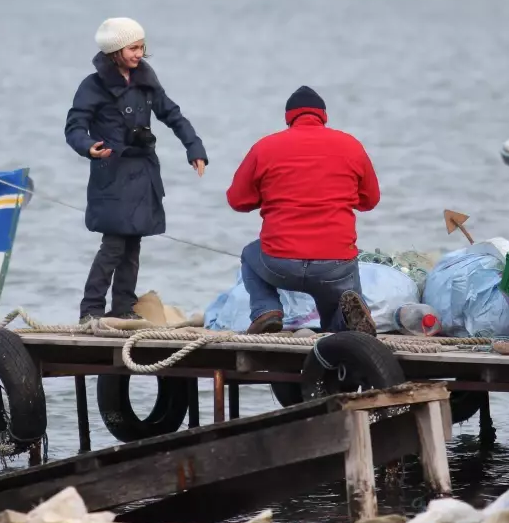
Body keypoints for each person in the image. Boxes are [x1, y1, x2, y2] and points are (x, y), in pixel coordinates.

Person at [65, 17, 208, 323]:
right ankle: (90, 310)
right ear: (115, 49)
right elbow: (75, 125)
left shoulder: (146, 79)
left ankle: (123, 307)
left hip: (143, 172)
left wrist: (193, 147)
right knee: (113, 244)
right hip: (112, 172)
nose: (139, 53)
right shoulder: (93, 85)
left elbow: (172, 114)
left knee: (133, 244)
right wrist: (89, 147)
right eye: (132, 48)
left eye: (142, 47)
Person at [226, 86, 381, 335]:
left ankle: (266, 311)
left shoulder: (265, 147)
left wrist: (271, 196)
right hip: (334, 264)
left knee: (249, 254)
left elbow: (237, 200)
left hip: (279, 261)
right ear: (324, 116)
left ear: (288, 118)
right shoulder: (351, 146)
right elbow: (370, 200)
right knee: (341, 289)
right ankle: (347, 323)